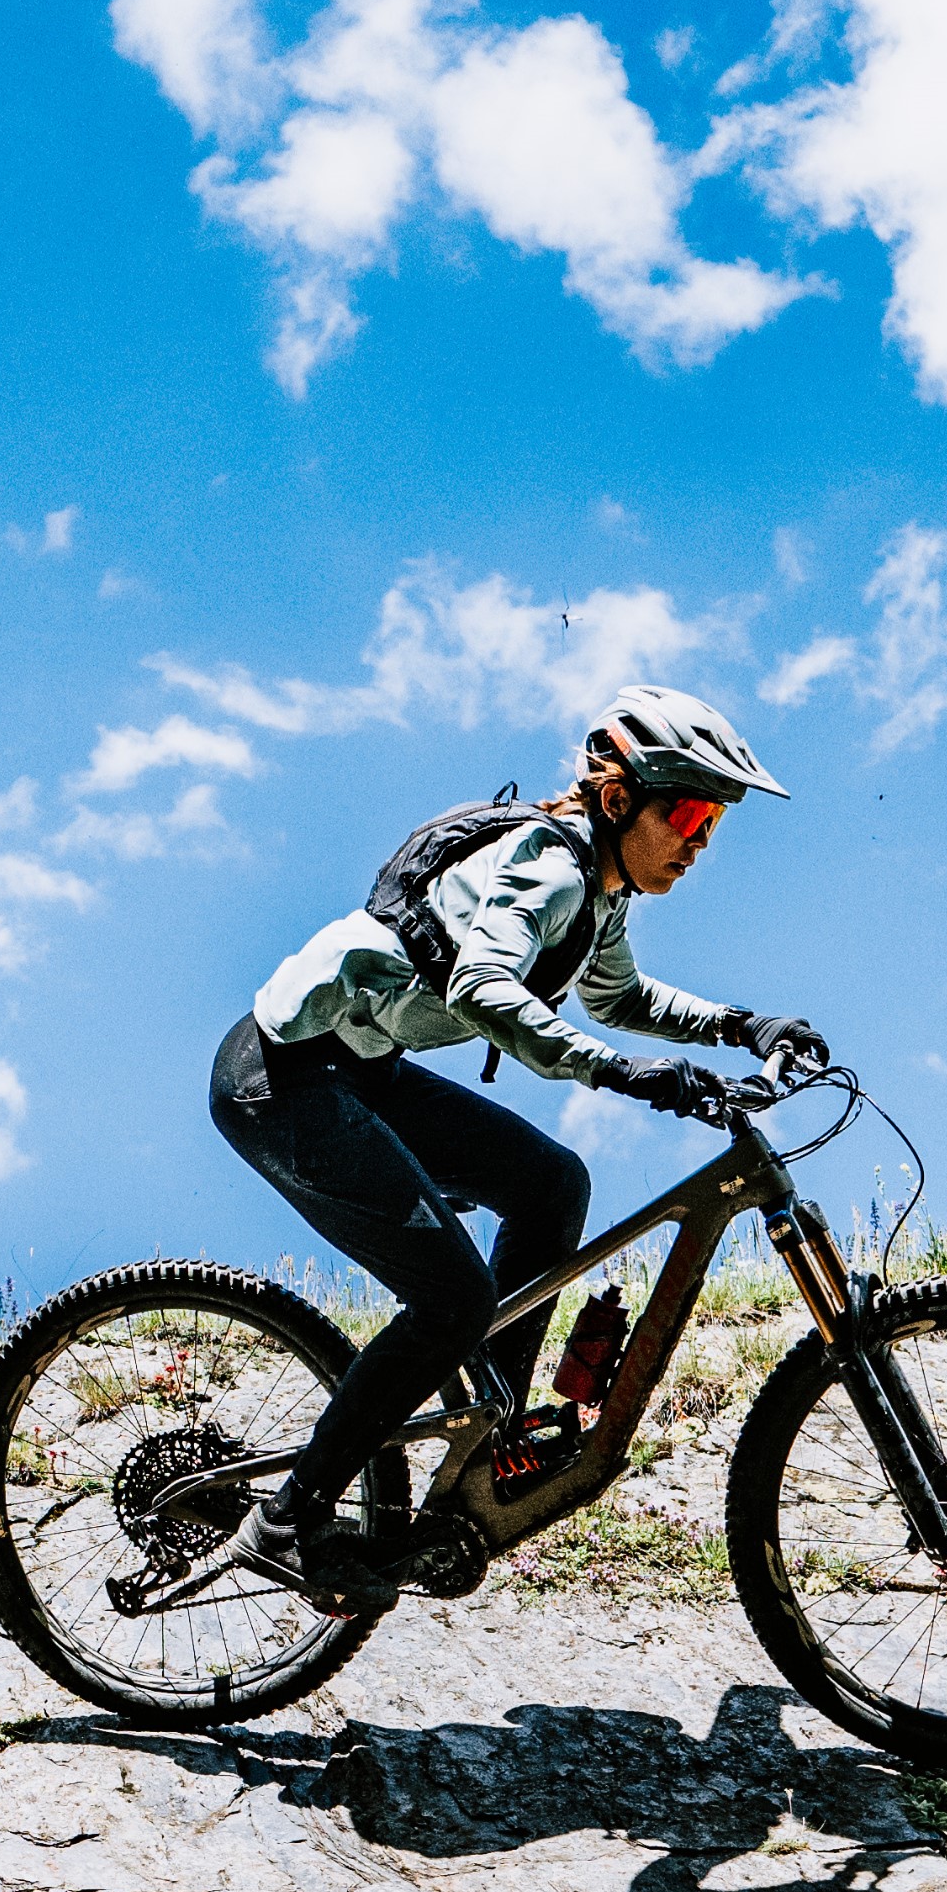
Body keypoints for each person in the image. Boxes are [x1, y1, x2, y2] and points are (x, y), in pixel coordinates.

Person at [204, 685, 823, 1601]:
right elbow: (482, 990)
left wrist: (745, 1026)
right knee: (451, 1298)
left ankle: (486, 1436)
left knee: (548, 1184)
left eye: (713, 823)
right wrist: (616, 1073)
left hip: (359, 1069)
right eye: (686, 812)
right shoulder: (550, 867)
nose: (699, 841)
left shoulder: (601, 894)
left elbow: (621, 999)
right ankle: (284, 1522)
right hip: (283, 1079)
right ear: (618, 803)